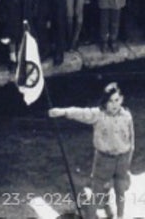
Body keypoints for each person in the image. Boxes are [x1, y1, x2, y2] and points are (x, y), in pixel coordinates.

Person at [50, 82, 136, 219]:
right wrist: (63, 111)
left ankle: (120, 216)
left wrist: (128, 159)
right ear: (105, 101)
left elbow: (131, 140)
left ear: (122, 99)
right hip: (104, 160)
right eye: (110, 101)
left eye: (116, 100)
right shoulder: (98, 114)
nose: (114, 104)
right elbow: (81, 113)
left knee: (120, 192)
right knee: (97, 194)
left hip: (122, 160)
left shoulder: (127, 116)